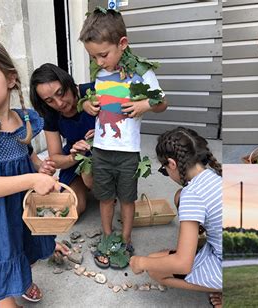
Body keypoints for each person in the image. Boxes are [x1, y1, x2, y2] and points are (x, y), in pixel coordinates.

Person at [78, 7, 168, 267]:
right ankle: (107, 237)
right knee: (105, 196)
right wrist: (88, 107)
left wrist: (144, 106)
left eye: (103, 55)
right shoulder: (101, 74)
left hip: (128, 152)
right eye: (93, 57)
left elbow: (162, 103)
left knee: (127, 198)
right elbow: (95, 103)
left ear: (122, 44)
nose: (99, 62)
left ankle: (126, 238)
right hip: (102, 150)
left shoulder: (141, 73)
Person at [0, 38, 70, 308]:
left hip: (22, 206)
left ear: (11, 78)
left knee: (24, 245)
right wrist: (32, 179)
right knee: (2, 253)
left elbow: (30, 157)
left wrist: (40, 168)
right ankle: (6, 297)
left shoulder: (23, 119)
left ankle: (22, 280)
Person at [129, 127, 222, 307]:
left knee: (155, 270)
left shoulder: (192, 195)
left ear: (172, 164)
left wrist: (140, 262)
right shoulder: (214, 175)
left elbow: (182, 264)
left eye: (164, 169)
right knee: (159, 258)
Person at [30, 63, 96, 215]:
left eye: (60, 92)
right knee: (70, 208)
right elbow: (56, 158)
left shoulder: (91, 90)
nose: (59, 103)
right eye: (49, 100)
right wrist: (73, 157)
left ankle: (100, 188)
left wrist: (103, 131)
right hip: (76, 156)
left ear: (67, 82)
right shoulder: (50, 115)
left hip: (104, 153)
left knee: (100, 189)